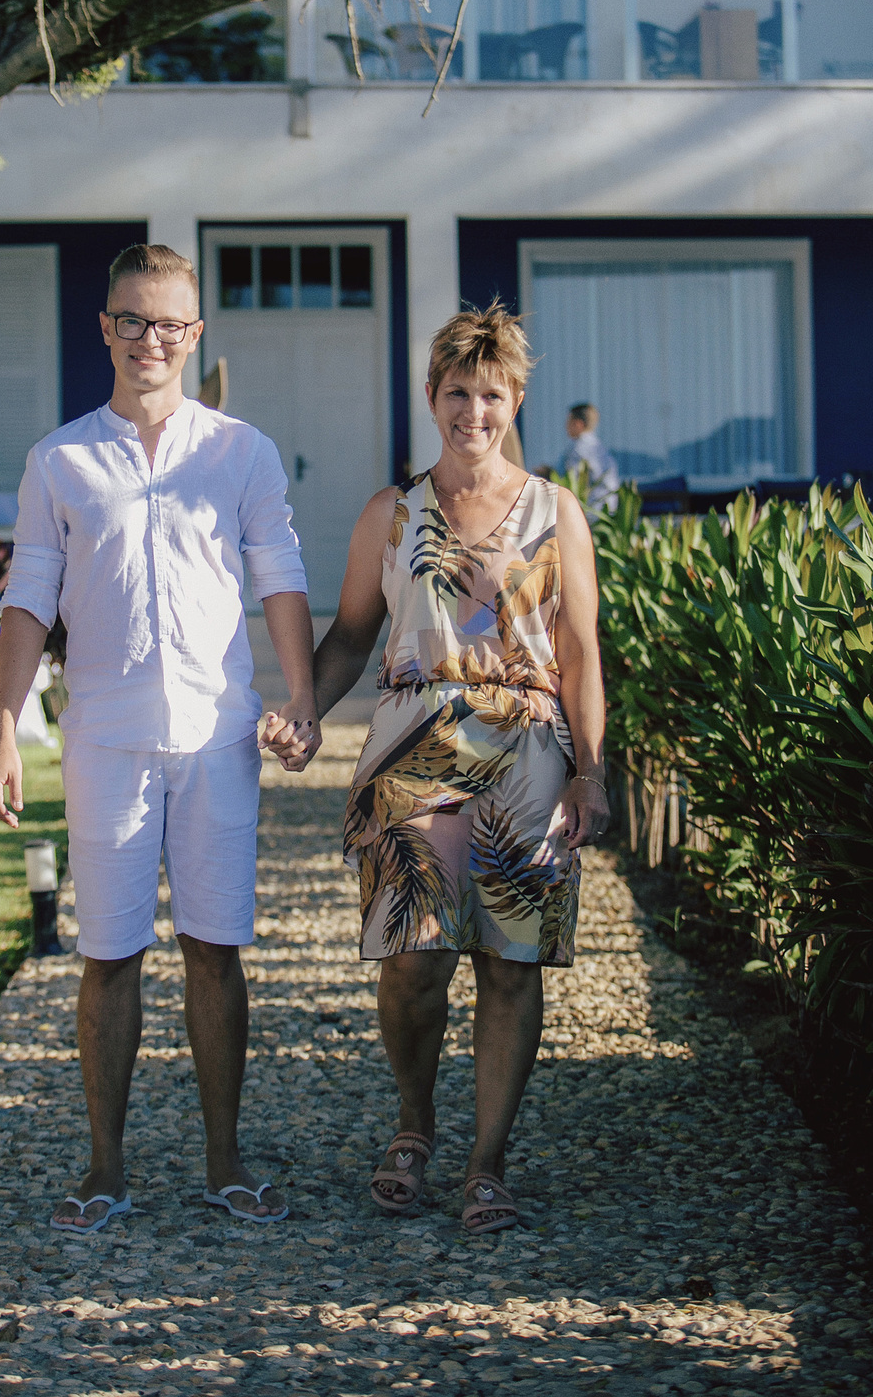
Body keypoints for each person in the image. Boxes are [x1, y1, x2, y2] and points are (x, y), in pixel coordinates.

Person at [0, 243, 319, 1234]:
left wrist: (299, 695)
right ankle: (105, 1168)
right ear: (106, 329)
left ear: (195, 334)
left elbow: (280, 576)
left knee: (215, 950)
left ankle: (224, 1162)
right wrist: (3, 731)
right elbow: (27, 601)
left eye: (169, 323)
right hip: (105, 742)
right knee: (110, 956)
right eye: (132, 320)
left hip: (217, 735)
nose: (150, 340)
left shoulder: (241, 451)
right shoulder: (60, 459)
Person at [312, 302, 607, 1235]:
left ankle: (488, 1163)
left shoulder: (557, 512)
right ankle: (413, 1121)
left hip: (527, 755)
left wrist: (591, 772)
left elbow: (582, 652)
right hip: (413, 749)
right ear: (432, 397)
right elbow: (352, 635)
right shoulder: (389, 515)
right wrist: (302, 711)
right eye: (455, 392)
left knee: (513, 966)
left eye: (490, 393)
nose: (471, 410)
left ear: (515, 398)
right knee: (410, 963)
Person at [560, 402, 620, 513]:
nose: (565, 426)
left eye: (568, 422)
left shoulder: (578, 449)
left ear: (578, 424)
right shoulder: (600, 448)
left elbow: (573, 483)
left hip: (591, 510)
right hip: (610, 507)